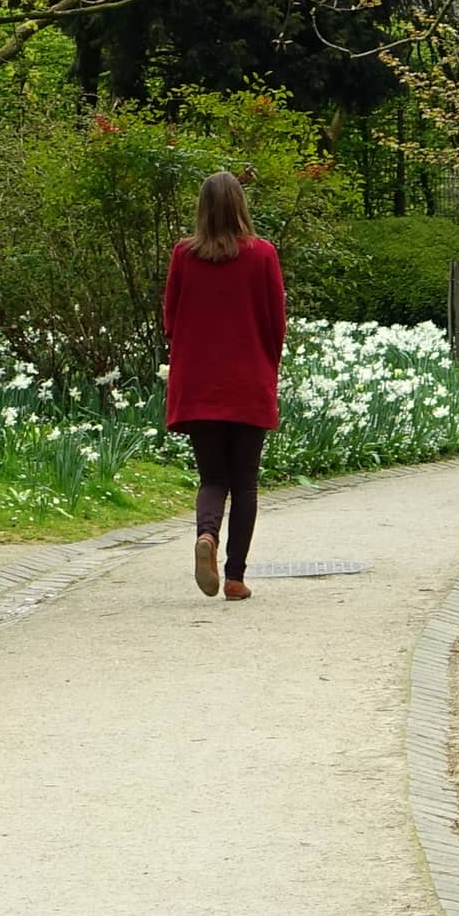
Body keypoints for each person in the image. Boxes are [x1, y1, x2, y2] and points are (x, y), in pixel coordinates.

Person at [161, 169, 285, 600]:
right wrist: (267, 363)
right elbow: (276, 322)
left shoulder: (183, 255)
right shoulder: (262, 254)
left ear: (202, 209)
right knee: (245, 482)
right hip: (248, 381)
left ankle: (206, 536)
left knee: (213, 478)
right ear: (240, 206)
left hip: (199, 385)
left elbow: (170, 321)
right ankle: (234, 577)